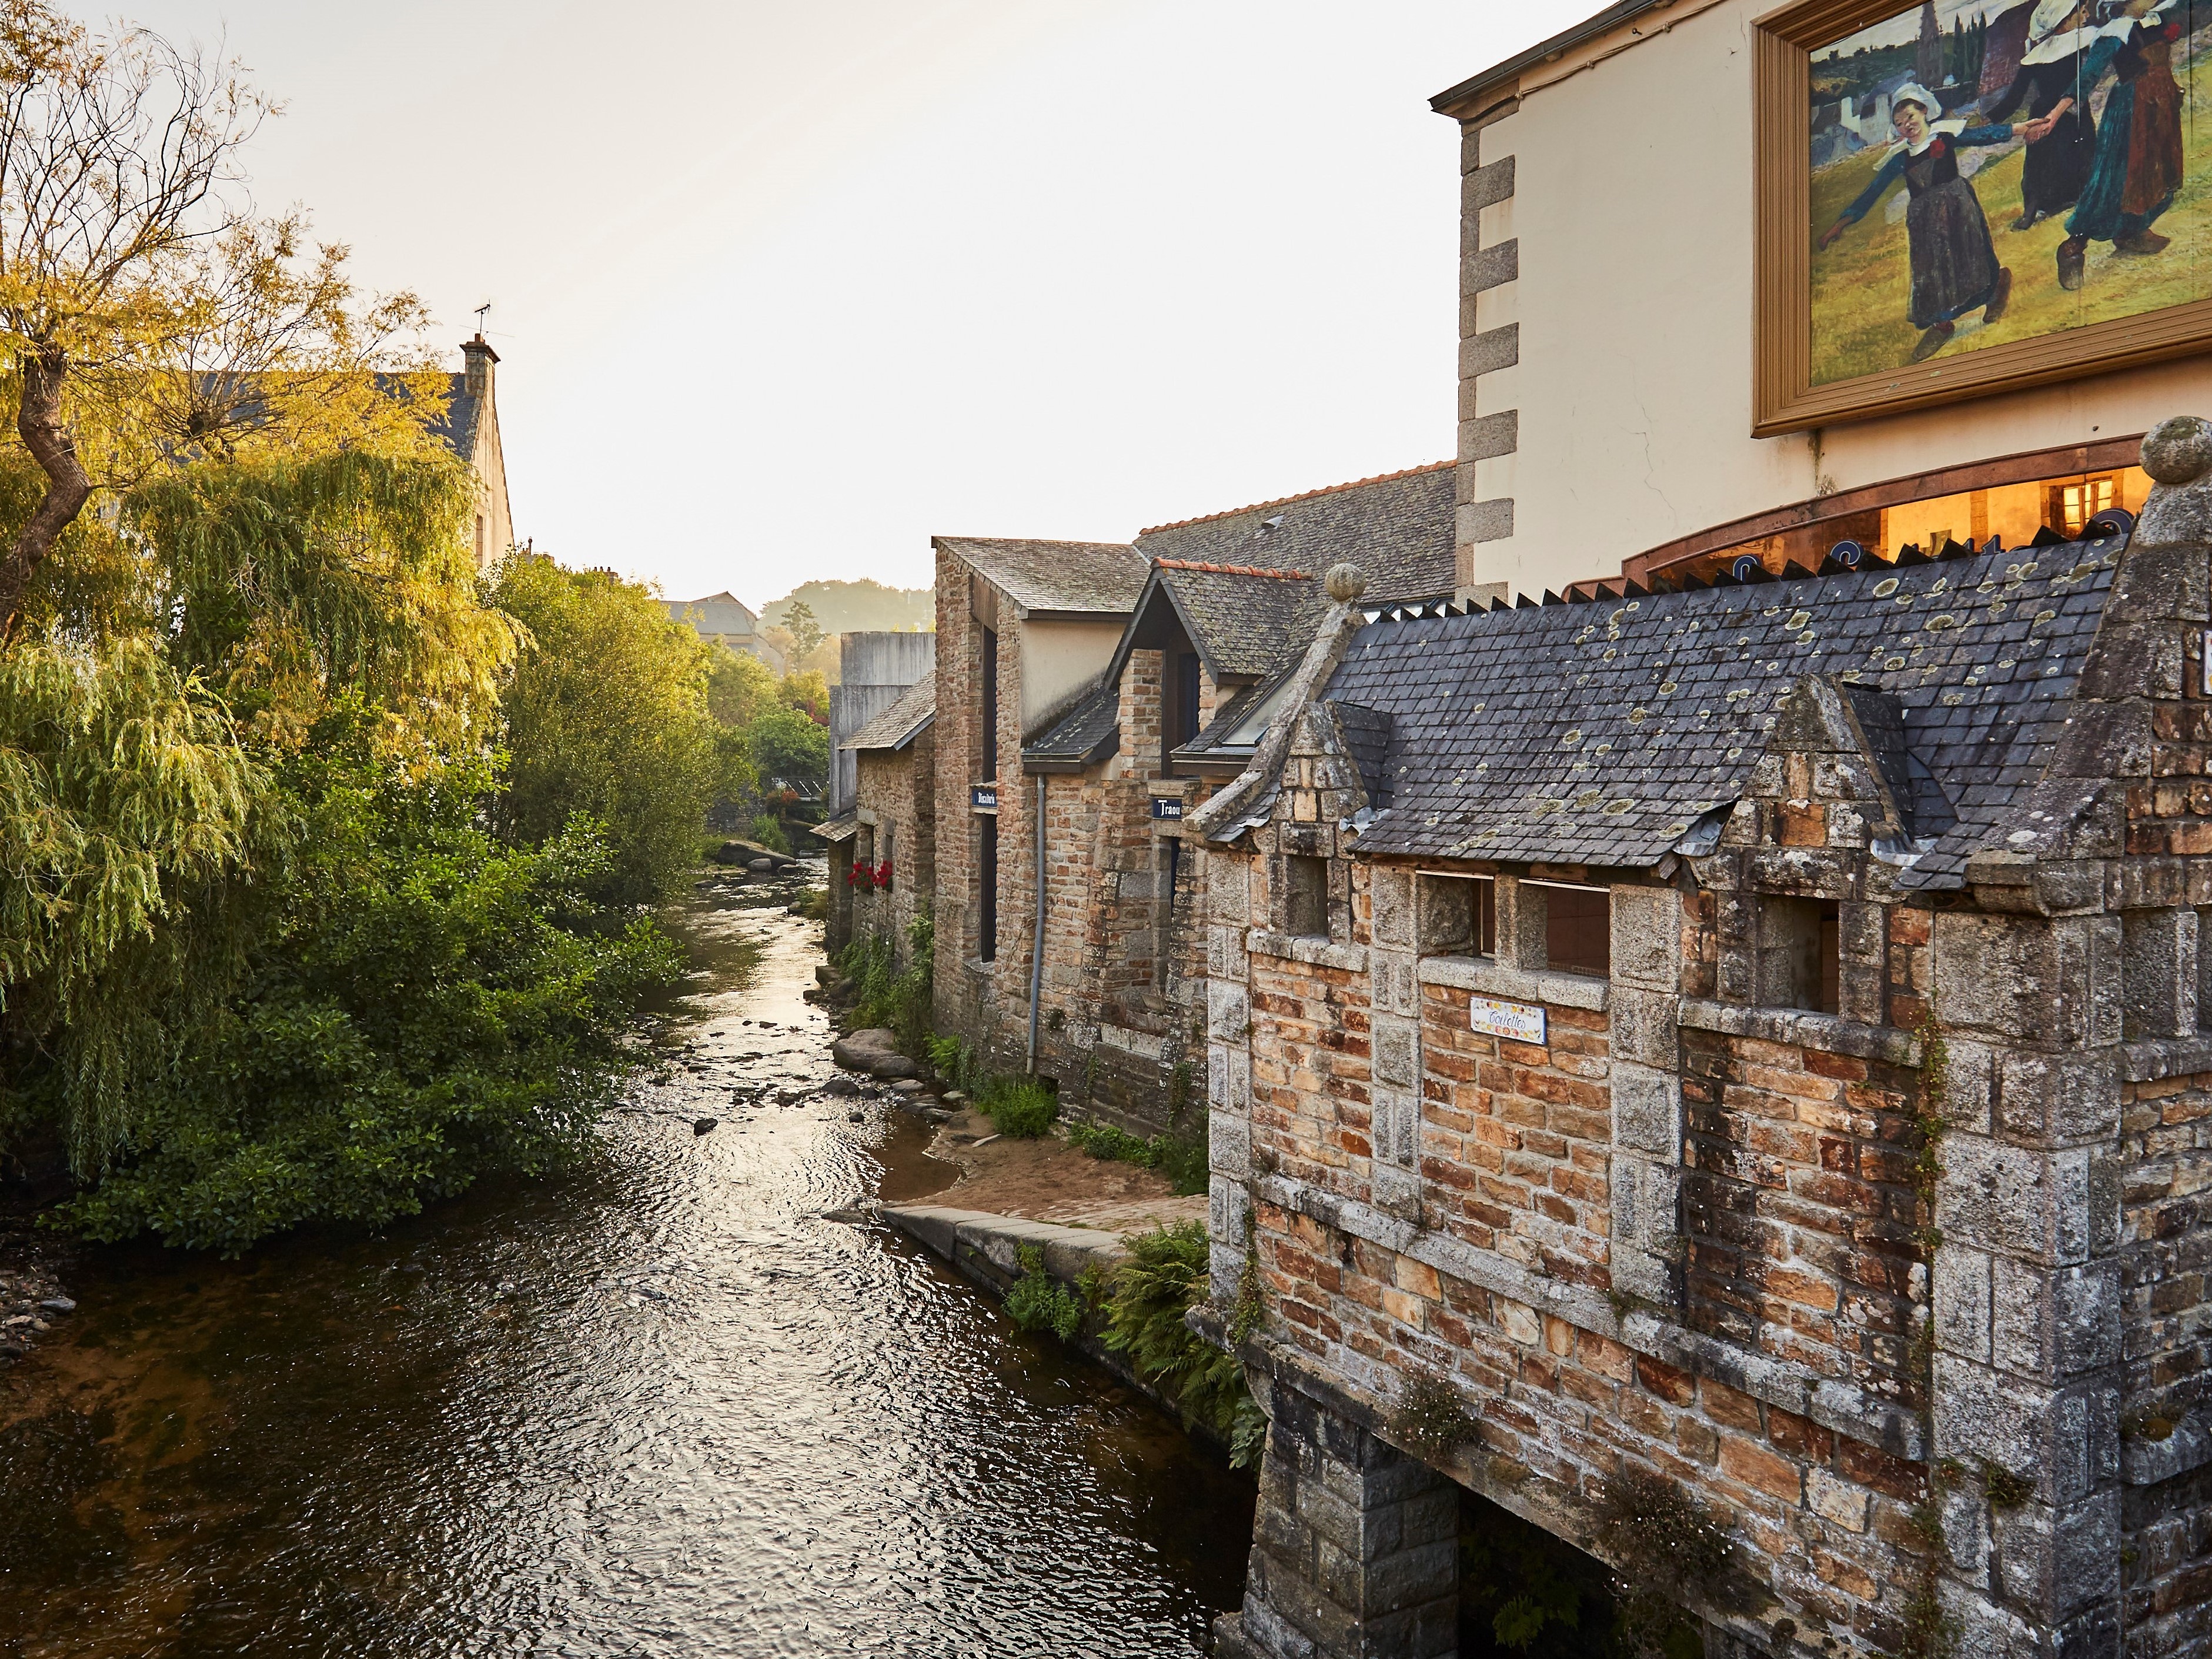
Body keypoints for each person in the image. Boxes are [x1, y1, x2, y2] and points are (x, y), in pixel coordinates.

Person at [1819, 86, 2023, 363]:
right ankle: (1941, 324)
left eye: (1910, 117)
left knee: (1971, 255)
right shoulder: (1901, 156)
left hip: (1957, 206)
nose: (1907, 126)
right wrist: (1841, 223)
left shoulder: (1945, 136)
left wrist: (2022, 128)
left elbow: (1983, 135)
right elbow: (1873, 191)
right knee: (1931, 272)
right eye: (1900, 123)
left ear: (1924, 111)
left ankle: (1996, 287)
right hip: (1924, 221)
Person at [2051, 0, 2186, 286]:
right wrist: (2055, 115)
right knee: (2115, 183)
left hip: (2159, 104)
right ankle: (2072, 248)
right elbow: (2087, 76)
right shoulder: (2115, 31)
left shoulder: (2153, 20)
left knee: (2155, 174)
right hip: (2131, 111)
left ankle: (2132, 232)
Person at [1984, 0, 2102, 229]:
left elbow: (2087, 77)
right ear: (2065, 17)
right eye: (2082, 11)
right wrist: (1990, 118)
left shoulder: (2082, 41)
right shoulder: (2039, 55)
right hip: (2052, 114)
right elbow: (2015, 96)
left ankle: (2075, 201)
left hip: (2069, 111)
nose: (2087, 15)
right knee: (2039, 164)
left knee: (2079, 155)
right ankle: (2032, 211)